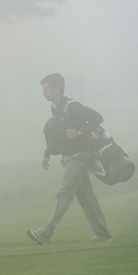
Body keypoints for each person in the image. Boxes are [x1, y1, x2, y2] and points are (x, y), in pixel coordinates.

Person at [27, 73, 112, 245]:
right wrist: (47, 153)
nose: (43, 93)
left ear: (57, 89)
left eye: (46, 89)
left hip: (80, 156)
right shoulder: (55, 108)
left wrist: (80, 131)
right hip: (69, 157)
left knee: (63, 194)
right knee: (86, 198)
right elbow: (57, 133)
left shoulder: (72, 106)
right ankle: (103, 234)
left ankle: (45, 233)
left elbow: (97, 117)